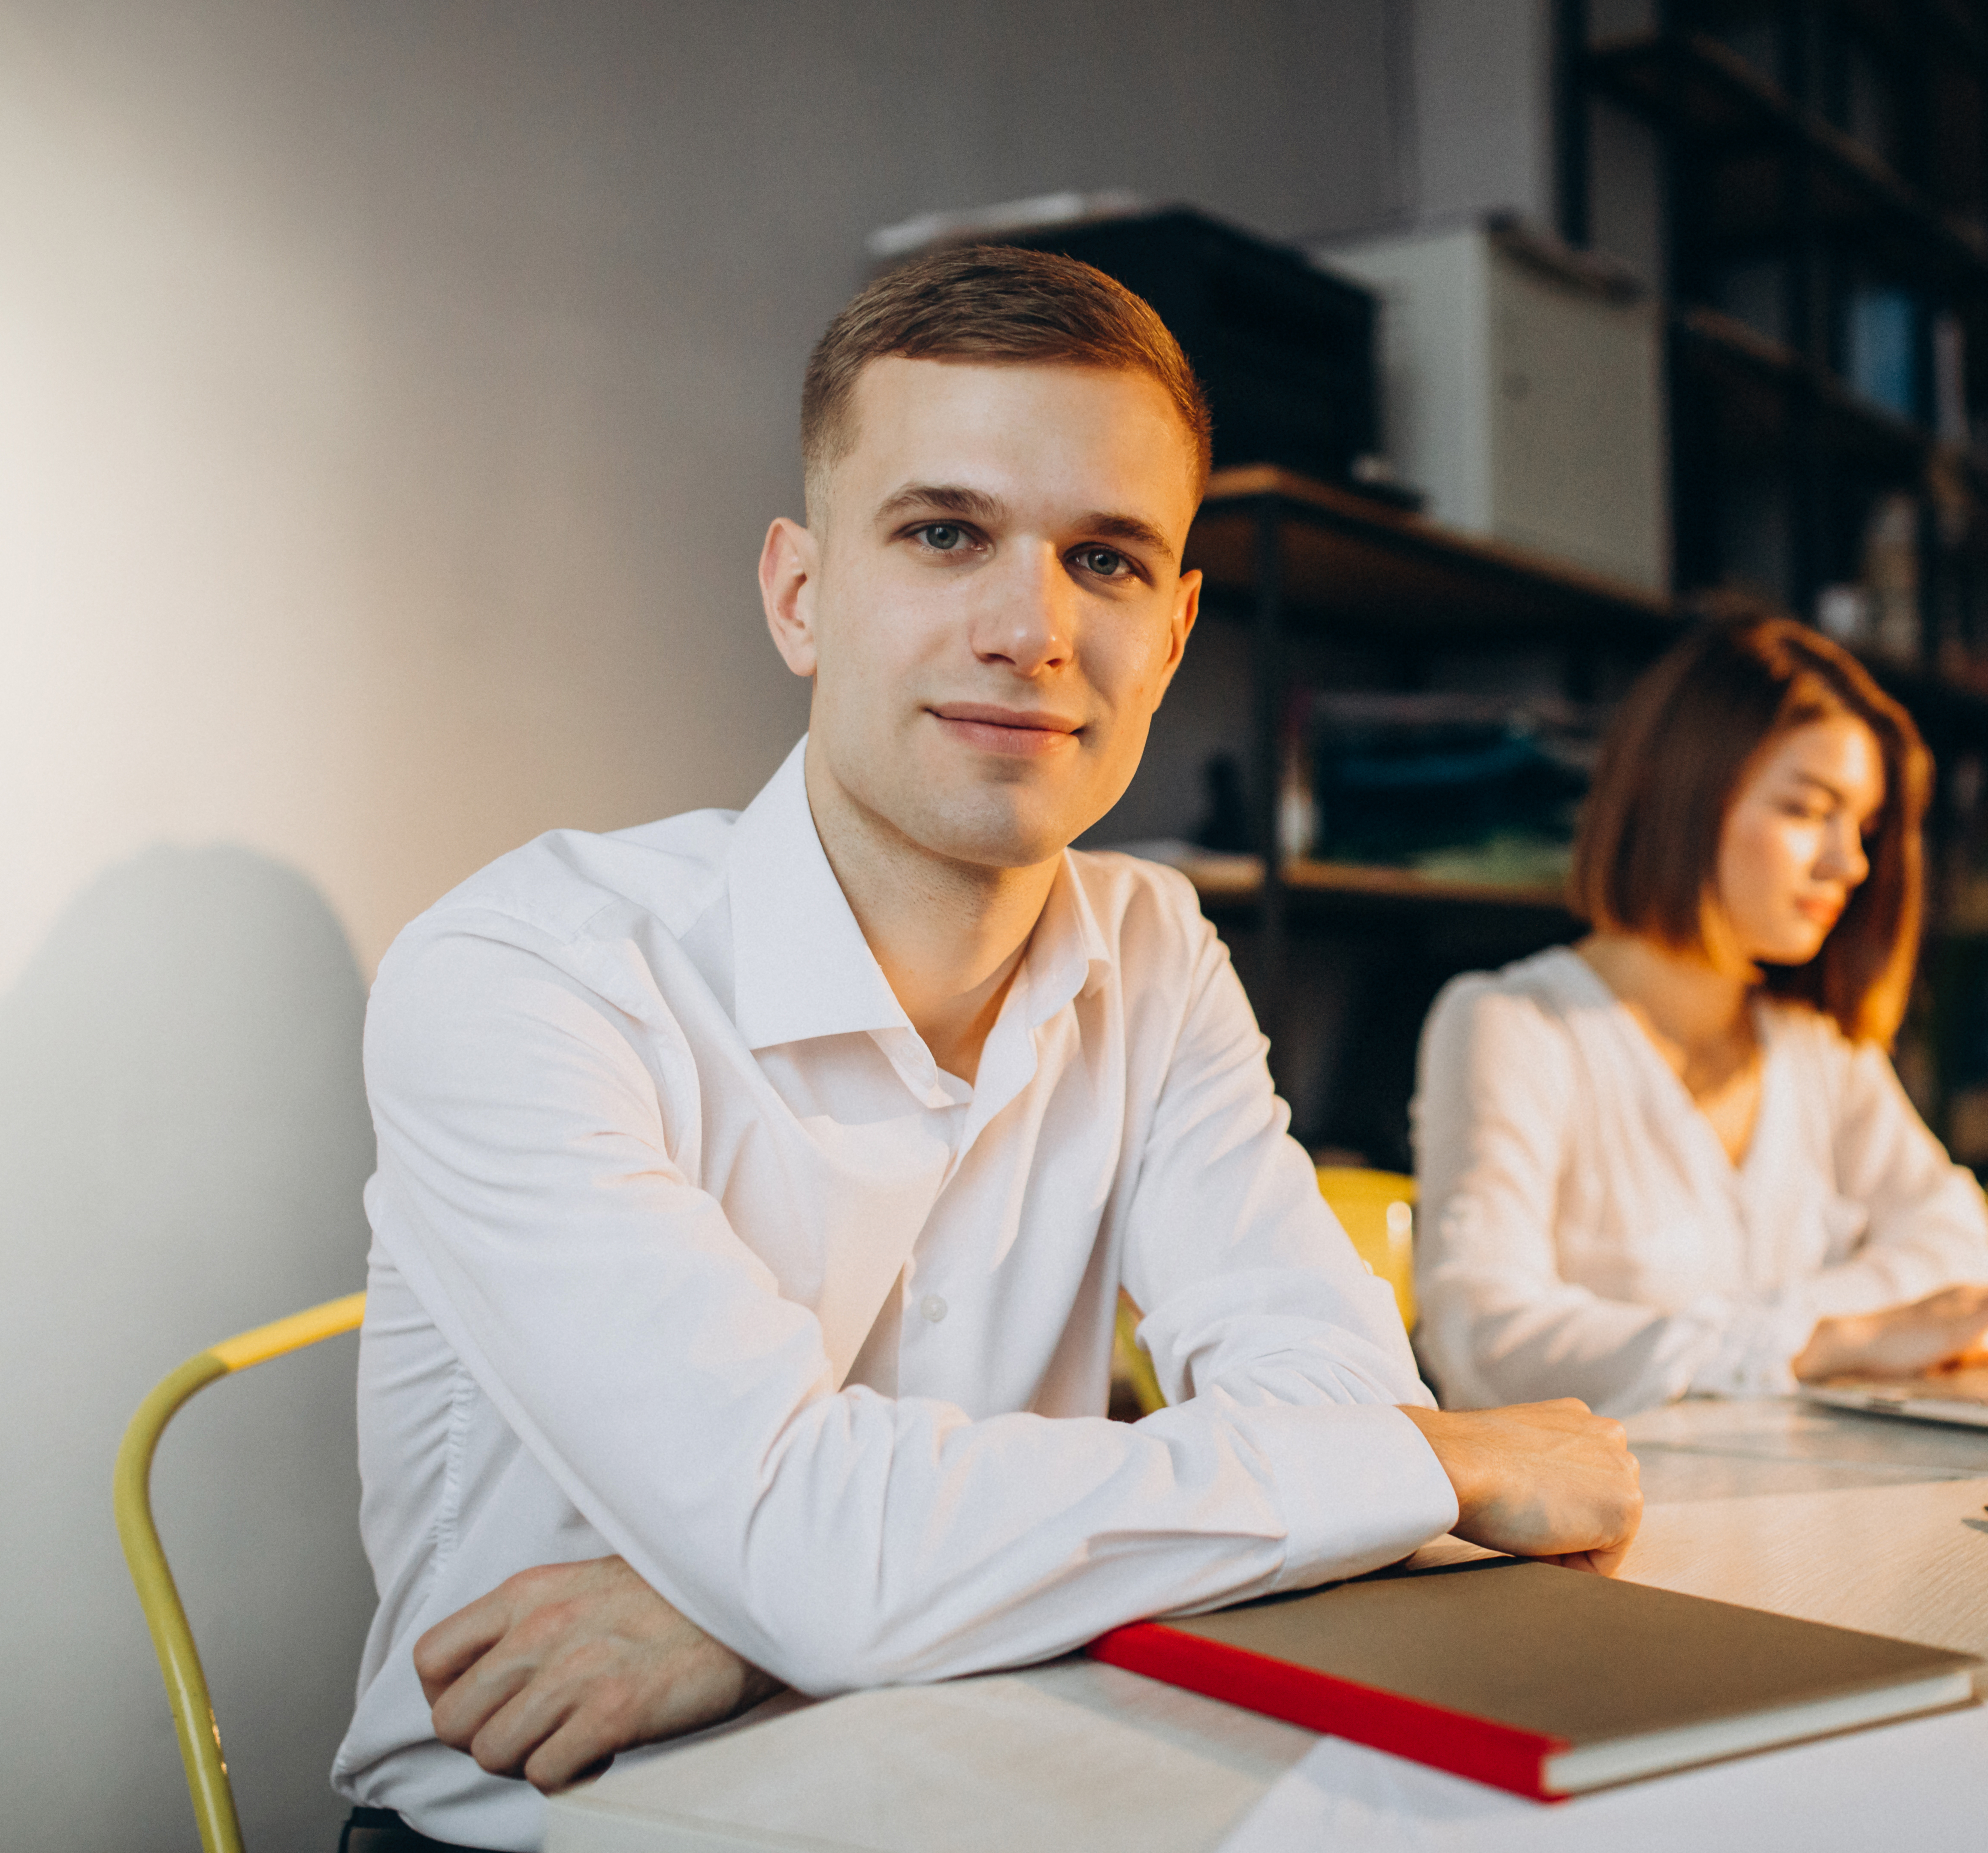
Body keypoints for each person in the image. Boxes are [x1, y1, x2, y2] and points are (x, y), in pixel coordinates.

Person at [332, 245, 1640, 1853]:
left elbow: (1333, 1392)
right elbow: (1358, 1453)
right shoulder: (525, 973)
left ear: (1174, 631)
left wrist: (754, 1605)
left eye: (1106, 559)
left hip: (1004, 1770)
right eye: (945, 534)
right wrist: (1426, 1465)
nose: (1032, 628)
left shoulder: (1154, 947)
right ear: (801, 596)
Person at [1411, 611, 1988, 1420]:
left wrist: (1774, 1335)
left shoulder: (1819, 1047)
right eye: (1808, 810)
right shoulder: (1512, 1026)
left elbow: (1963, 1259)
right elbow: (1483, 1340)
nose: (1850, 864)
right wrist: (1832, 1340)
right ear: (1683, 795)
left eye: (1864, 829)